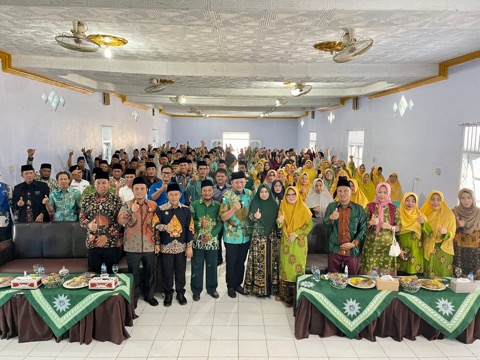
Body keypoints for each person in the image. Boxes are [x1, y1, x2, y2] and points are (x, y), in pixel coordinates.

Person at [118, 177, 158, 307]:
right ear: (132, 190)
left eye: (142, 189)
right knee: (133, 274)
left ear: (146, 190)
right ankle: (134, 298)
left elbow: (156, 225)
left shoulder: (153, 205)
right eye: (137, 189)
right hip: (132, 246)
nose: (139, 191)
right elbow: (120, 221)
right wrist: (131, 211)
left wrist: (157, 243)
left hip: (149, 244)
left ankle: (149, 296)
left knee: (150, 272)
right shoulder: (127, 204)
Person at [154, 183, 194, 306]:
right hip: (166, 247)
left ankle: (180, 293)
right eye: (171, 194)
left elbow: (190, 229)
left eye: (176, 194)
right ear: (167, 195)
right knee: (167, 272)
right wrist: (165, 227)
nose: (174, 196)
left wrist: (189, 246)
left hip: (181, 247)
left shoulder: (186, 210)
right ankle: (168, 294)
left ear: (180, 195)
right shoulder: (161, 209)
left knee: (181, 271)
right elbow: (155, 225)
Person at [79, 170, 123, 273]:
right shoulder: (87, 199)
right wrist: (88, 225)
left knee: (112, 274)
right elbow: (81, 218)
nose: (101, 185)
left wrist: (106, 236)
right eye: (98, 182)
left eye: (104, 182)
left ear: (109, 184)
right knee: (94, 274)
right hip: (92, 243)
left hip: (111, 243)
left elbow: (120, 222)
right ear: (94, 184)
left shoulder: (116, 200)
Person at [219, 171, 254, 298]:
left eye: (241, 182)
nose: (239, 184)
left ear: (245, 182)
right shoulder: (227, 196)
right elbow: (223, 217)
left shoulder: (249, 194)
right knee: (231, 261)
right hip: (231, 235)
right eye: (236, 182)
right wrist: (233, 209)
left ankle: (238, 284)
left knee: (241, 261)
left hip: (246, 233)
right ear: (232, 183)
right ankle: (230, 286)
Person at [276, 186, 312, 306]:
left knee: (296, 269)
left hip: (298, 243)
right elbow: (279, 225)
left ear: (297, 195)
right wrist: (280, 221)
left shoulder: (303, 208)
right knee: (285, 267)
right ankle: (283, 295)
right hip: (286, 241)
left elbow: (309, 225)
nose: (291, 197)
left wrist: (296, 234)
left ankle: (294, 298)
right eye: (288, 194)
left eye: (293, 194)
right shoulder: (283, 206)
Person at [323, 177, 367, 275]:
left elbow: (363, 228)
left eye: (345, 191)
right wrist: (331, 218)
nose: (342, 194)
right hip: (334, 249)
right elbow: (325, 224)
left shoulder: (358, 209)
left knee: (352, 280)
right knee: (333, 279)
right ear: (337, 192)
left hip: (352, 251)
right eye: (339, 191)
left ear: (351, 191)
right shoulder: (331, 206)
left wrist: (354, 243)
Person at [244, 184, 280, 297]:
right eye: (261, 192)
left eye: (266, 192)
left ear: (269, 193)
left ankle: (272, 288)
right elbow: (250, 217)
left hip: (271, 236)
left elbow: (278, 221)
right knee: (258, 261)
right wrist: (255, 216)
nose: (264, 194)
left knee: (271, 261)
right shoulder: (255, 202)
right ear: (258, 193)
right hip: (258, 237)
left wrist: (279, 235)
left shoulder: (274, 204)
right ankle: (258, 288)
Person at [189, 180, 223, 301]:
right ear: (200, 191)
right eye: (205, 190)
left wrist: (212, 234)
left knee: (212, 265)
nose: (207, 193)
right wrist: (198, 224)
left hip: (212, 242)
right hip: (197, 241)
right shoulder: (194, 205)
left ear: (213, 191)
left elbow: (220, 223)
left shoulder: (218, 206)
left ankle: (212, 288)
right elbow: (190, 222)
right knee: (197, 266)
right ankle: (196, 290)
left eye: (209, 190)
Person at [360, 182, 401, 276]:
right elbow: (362, 226)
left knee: (386, 275)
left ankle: (385, 289)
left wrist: (389, 227)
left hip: (387, 247)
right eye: (380, 192)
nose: (382, 195)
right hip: (371, 245)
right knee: (368, 274)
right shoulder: (370, 206)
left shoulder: (394, 208)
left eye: (385, 192)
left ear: (389, 193)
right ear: (376, 192)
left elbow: (399, 227)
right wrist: (370, 223)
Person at [420, 190, 456, 278]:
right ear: (429, 200)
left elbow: (452, 233)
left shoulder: (449, 215)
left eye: (438, 199)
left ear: (442, 201)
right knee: (426, 280)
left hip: (443, 249)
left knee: (443, 279)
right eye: (433, 199)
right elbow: (420, 232)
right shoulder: (423, 213)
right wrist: (423, 224)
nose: (436, 202)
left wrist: (445, 233)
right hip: (427, 247)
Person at [397, 192, 431, 275]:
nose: (410, 203)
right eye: (407, 200)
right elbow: (392, 234)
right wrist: (398, 249)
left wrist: (423, 223)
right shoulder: (397, 215)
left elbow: (429, 234)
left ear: (416, 203)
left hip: (416, 252)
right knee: (399, 279)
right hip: (400, 251)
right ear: (403, 201)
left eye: (413, 201)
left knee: (415, 281)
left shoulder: (421, 216)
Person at [453, 188, 480, 279]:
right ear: (459, 199)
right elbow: (449, 230)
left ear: (473, 198)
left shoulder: (478, 212)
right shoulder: (455, 211)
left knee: (475, 281)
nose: (466, 201)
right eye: (463, 198)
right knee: (458, 279)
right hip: (459, 250)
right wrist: (457, 225)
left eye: (469, 198)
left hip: (475, 252)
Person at [212, 168, 232, 266]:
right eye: (218, 176)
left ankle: (229, 258)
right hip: (216, 218)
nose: (220, 178)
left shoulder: (231, 188)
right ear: (215, 177)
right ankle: (218, 259)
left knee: (228, 239)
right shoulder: (212, 189)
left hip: (229, 218)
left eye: (222, 176)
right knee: (217, 238)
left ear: (226, 177)